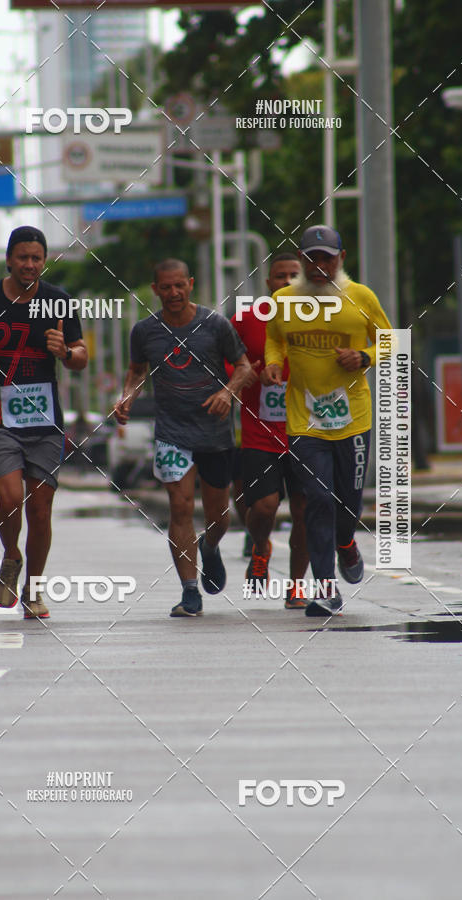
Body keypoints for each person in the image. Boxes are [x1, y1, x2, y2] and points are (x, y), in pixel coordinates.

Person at [0, 225, 88, 619]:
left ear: (44, 261)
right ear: (9, 259)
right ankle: (11, 555)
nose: (29, 264)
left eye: (36, 258)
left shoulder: (58, 300)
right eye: (22, 257)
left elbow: (80, 354)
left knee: (40, 511)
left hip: (44, 422)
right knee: (9, 500)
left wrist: (67, 352)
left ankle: (34, 589)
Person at [264, 225, 392, 616]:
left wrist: (364, 357)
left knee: (347, 505)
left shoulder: (360, 297)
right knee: (317, 500)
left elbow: (391, 339)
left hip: (353, 418)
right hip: (305, 421)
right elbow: (275, 338)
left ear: (341, 258)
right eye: (312, 258)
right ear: (301, 261)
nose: (319, 265)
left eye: (327, 258)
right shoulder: (284, 300)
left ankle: (346, 543)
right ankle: (324, 589)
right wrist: (272, 363)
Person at [114, 258, 251, 618]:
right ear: (156, 289)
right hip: (172, 433)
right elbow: (136, 372)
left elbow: (244, 367)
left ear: (190, 284)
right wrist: (127, 396)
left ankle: (210, 545)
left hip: (214, 432)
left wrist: (227, 393)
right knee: (180, 506)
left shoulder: (215, 324)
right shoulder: (145, 331)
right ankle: (190, 591)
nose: (173, 293)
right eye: (166, 287)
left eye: (180, 285)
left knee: (219, 515)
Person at [231, 253, 310, 608]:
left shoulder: (322, 316)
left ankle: (296, 586)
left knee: (305, 513)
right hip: (261, 431)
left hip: (310, 431)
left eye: (295, 275)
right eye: (281, 276)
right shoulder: (248, 319)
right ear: (268, 283)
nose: (288, 281)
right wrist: (248, 372)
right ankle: (261, 547)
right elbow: (226, 360)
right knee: (263, 507)